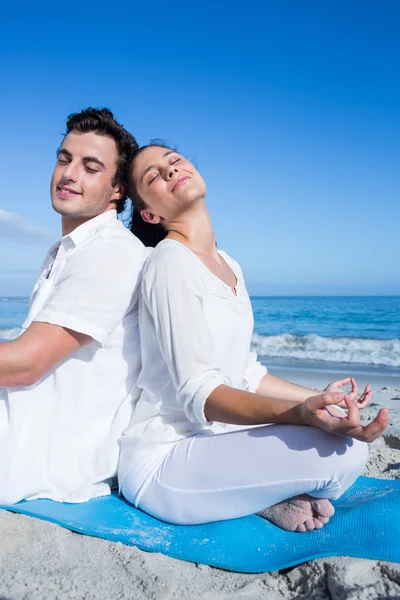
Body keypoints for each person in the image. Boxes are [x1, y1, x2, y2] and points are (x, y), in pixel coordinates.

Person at [118, 143, 390, 532]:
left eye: (174, 160)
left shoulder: (230, 265)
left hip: (221, 439)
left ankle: (253, 494)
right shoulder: (168, 262)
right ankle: (257, 496)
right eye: (153, 176)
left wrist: (322, 402)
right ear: (150, 213)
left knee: (348, 442)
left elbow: (245, 372)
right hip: (166, 458)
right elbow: (201, 392)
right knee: (341, 457)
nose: (169, 170)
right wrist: (298, 414)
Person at [0, 108, 147, 505]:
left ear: (118, 189)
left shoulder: (111, 253)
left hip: (41, 457)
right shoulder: (67, 251)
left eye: (90, 167)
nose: (69, 174)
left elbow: (25, 364)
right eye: (64, 159)